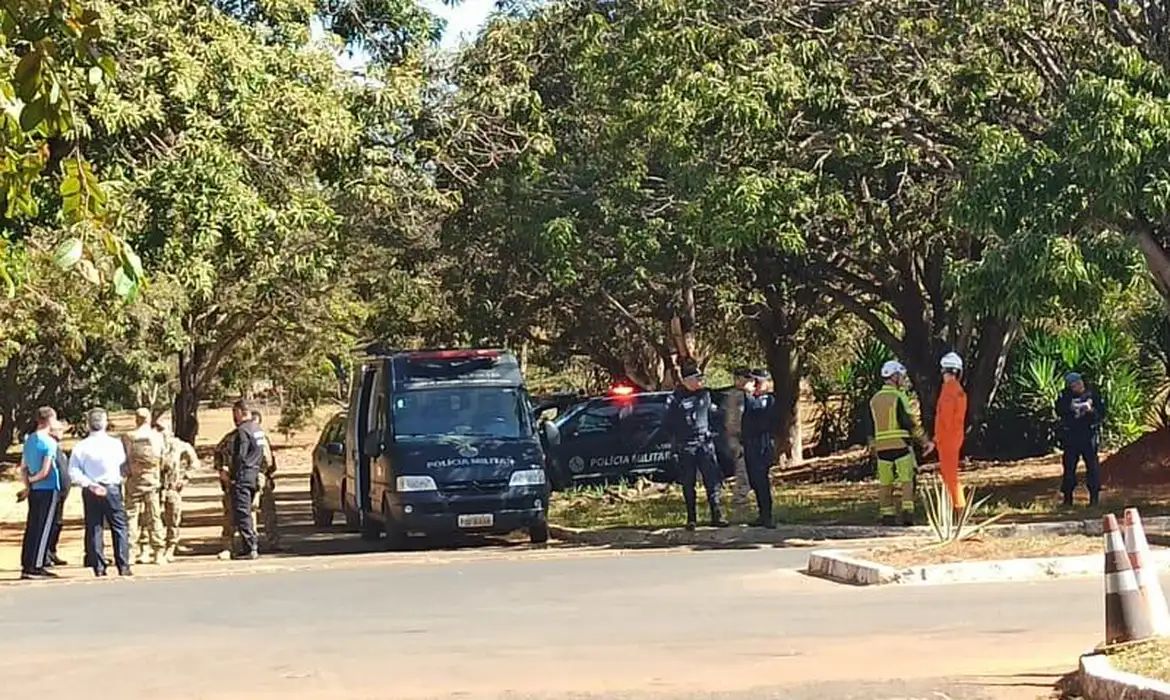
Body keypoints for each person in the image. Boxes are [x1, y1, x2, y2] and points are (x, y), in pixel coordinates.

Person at [865, 361, 934, 526]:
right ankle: (907, 513)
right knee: (907, 480)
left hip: (881, 448)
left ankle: (886, 514)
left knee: (885, 482)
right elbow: (909, 423)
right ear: (894, 376)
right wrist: (925, 441)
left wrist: (872, 446)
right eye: (901, 376)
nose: (903, 379)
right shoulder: (899, 397)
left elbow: (869, 426)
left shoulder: (874, 399)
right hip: (901, 445)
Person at [69, 408, 132, 577]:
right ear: (105, 423)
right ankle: (123, 565)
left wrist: (90, 484)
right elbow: (121, 462)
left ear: (88, 425)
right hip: (111, 487)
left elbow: (73, 471)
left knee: (94, 527)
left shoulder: (81, 446)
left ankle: (98, 566)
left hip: (91, 489)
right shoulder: (114, 444)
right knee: (119, 526)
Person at [665, 364, 727, 530]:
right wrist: (675, 444)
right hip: (686, 445)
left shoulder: (705, 395)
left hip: (704, 443)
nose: (700, 381)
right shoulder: (676, 398)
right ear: (687, 381)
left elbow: (715, 415)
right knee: (688, 482)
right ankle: (691, 518)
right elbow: (669, 423)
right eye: (697, 379)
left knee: (712, 480)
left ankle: (717, 514)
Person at [18, 407, 61, 579]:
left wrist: (28, 484)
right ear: (49, 420)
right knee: (44, 527)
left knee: (33, 526)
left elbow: (23, 467)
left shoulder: (29, 440)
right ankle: (36, 565)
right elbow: (45, 471)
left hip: (35, 491)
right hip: (47, 487)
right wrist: (34, 480)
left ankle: (27, 562)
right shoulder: (49, 442)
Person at [1055, 372, 1106, 506]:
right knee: (1069, 466)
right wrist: (1070, 408)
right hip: (1071, 435)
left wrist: (1091, 411)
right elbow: (1059, 410)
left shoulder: (1092, 393)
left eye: (1079, 383)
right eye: (1073, 384)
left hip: (1089, 434)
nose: (1077, 386)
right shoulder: (1065, 395)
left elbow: (1101, 413)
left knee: (1092, 465)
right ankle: (1068, 498)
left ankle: (1094, 498)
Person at [123, 407, 165, 565]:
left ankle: (130, 552)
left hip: (133, 481)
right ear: (148, 419)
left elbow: (125, 459)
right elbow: (161, 457)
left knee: (131, 517)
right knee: (154, 517)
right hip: (152, 481)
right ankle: (158, 552)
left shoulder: (128, 437)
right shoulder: (157, 436)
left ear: (136, 419)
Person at [155, 417, 199, 563]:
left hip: (172, 487)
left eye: (161, 428)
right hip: (155, 488)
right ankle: (153, 548)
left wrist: (184, 479)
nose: (158, 431)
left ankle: (171, 547)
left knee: (172, 518)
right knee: (152, 519)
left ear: (169, 429)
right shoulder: (152, 445)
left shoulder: (179, 446)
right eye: (156, 428)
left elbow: (195, 463)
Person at [229, 399, 267, 559]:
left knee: (243, 512)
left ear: (239, 412)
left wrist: (233, 475)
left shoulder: (243, 431)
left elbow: (240, 455)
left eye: (234, 412)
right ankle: (248, 546)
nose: (234, 417)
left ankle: (250, 547)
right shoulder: (257, 429)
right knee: (248, 511)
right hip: (255, 473)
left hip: (244, 475)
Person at [742, 368, 778, 528]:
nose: (755, 385)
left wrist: (749, 395)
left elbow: (758, 413)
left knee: (762, 480)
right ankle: (761, 514)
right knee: (754, 481)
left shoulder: (768, 400)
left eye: (758, 382)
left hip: (762, 443)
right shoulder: (748, 399)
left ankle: (767, 516)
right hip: (750, 443)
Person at [934, 352, 968, 518]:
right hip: (954, 438)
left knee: (950, 476)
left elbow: (945, 418)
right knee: (950, 474)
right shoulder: (958, 390)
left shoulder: (949, 391)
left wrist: (937, 439)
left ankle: (959, 509)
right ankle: (956, 507)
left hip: (947, 439)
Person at [722, 368, 754, 522]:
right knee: (742, 469)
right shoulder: (736, 396)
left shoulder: (747, 395)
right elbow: (734, 422)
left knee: (749, 468)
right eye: (745, 378)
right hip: (738, 438)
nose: (749, 381)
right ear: (737, 379)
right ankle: (740, 499)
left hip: (747, 438)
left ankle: (744, 496)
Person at [251, 409, 281, 552]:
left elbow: (270, 460)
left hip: (262, 478)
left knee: (268, 512)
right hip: (253, 478)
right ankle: (252, 543)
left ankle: (271, 541)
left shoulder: (261, 437)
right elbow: (267, 460)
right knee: (252, 512)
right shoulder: (253, 436)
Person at [44, 419, 71, 568]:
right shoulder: (48, 446)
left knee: (58, 523)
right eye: (58, 429)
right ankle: (45, 554)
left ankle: (52, 551)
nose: (61, 432)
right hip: (51, 491)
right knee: (51, 523)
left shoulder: (57, 447)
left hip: (61, 493)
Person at [213, 428, 238, 560]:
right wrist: (223, 473)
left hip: (249, 484)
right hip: (232, 484)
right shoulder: (230, 439)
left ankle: (249, 545)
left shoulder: (256, 436)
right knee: (230, 517)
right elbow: (218, 456)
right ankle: (228, 547)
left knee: (249, 515)